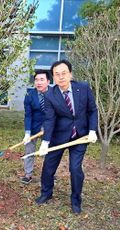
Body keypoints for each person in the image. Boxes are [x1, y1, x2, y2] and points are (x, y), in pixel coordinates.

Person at [35, 60, 98, 214]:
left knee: (75, 169)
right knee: (48, 167)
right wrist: (45, 142)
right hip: (58, 136)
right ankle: (46, 193)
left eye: (64, 73)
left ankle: (76, 200)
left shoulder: (83, 88)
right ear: (54, 78)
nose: (61, 77)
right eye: (57, 74)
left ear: (70, 74)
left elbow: (92, 110)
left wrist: (92, 130)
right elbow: (50, 119)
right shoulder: (50, 95)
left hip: (80, 137)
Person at [21, 70, 51, 184]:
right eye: (36, 80)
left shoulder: (54, 94)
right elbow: (28, 115)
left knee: (49, 152)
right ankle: (28, 174)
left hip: (49, 128)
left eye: (42, 80)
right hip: (33, 128)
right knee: (29, 151)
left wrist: (47, 127)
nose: (38, 82)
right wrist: (27, 133)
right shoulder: (29, 95)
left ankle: (49, 174)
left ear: (48, 81)